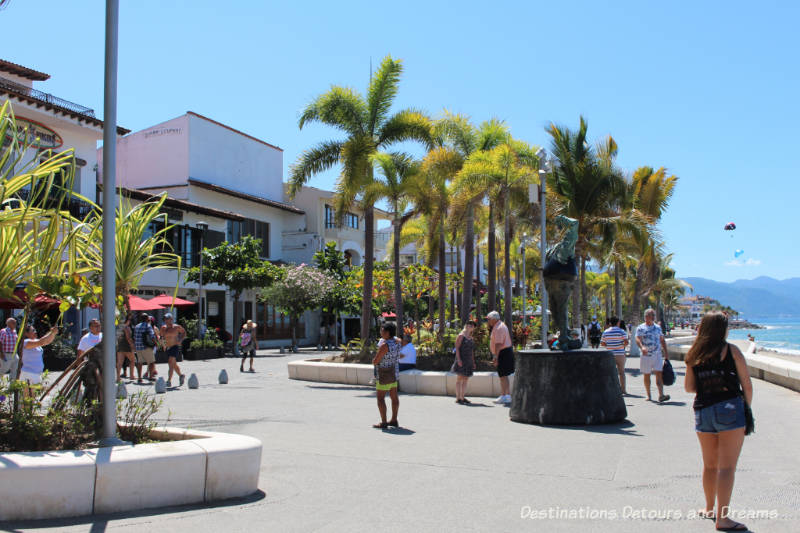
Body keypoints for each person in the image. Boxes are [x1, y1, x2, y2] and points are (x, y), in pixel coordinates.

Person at [684, 311, 753, 531]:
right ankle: (723, 519)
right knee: (727, 467)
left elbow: (689, 388)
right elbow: (747, 385)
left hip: (703, 410)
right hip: (730, 408)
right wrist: (746, 409)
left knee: (710, 465)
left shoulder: (695, 353)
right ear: (722, 329)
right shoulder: (731, 351)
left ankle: (709, 508)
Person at [635, 308, 671, 403]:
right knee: (647, 375)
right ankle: (648, 395)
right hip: (645, 355)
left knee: (658, 374)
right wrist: (642, 347)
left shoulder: (658, 327)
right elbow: (637, 339)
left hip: (657, 355)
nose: (654, 317)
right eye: (652, 315)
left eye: (654, 315)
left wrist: (666, 354)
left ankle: (661, 395)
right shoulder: (641, 328)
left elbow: (662, 340)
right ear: (646, 317)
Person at [371, 322, 401, 429]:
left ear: (387, 332)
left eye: (382, 330)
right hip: (394, 372)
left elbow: (376, 360)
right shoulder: (397, 341)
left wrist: (373, 361)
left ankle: (384, 422)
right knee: (394, 397)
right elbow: (398, 339)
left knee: (380, 398)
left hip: (384, 373)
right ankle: (394, 420)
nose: (380, 332)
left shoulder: (385, 345)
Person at [19, 324, 58, 393]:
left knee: (32, 399)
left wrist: (53, 333)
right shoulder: (25, 342)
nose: (35, 332)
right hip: (28, 374)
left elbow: (47, 341)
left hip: (36, 373)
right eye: (33, 330)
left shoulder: (36, 341)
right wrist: (51, 332)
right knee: (27, 399)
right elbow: (41, 342)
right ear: (26, 333)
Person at [487, 310, 513, 404]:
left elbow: (498, 344)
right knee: (503, 375)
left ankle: (505, 395)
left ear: (494, 319)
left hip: (502, 352)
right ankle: (505, 395)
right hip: (505, 352)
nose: (488, 321)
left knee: (503, 375)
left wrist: (495, 357)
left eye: (489, 319)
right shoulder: (500, 325)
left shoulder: (498, 328)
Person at [601, 316, 629, 394]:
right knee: (621, 372)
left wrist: (609, 346)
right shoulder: (622, 331)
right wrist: (621, 345)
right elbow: (626, 342)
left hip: (609, 354)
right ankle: (623, 390)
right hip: (620, 354)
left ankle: (610, 389)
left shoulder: (606, 332)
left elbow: (602, 343)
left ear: (610, 323)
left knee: (609, 373)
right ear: (618, 322)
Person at [452, 320, 477, 404]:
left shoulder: (471, 337)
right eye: (470, 325)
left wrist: (473, 362)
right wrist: (458, 359)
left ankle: (462, 397)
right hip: (461, 359)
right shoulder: (461, 336)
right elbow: (457, 348)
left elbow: (472, 351)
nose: (471, 327)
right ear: (466, 325)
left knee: (466, 379)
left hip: (468, 360)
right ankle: (458, 397)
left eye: (473, 326)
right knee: (459, 379)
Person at [160, 313, 186, 387]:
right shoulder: (163, 328)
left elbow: (184, 332)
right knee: (173, 364)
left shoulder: (176, 327)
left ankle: (169, 381)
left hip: (175, 346)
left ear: (171, 319)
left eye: (167, 319)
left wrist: (180, 339)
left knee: (170, 363)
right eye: (165, 319)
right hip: (167, 348)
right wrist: (163, 344)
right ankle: (181, 375)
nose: (166, 320)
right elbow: (161, 337)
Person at [133, 313, 157, 382]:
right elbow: (152, 336)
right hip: (146, 346)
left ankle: (139, 378)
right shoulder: (148, 325)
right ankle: (151, 377)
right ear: (147, 319)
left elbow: (134, 337)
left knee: (140, 362)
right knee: (151, 362)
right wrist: (156, 343)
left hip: (138, 347)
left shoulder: (137, 326)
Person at [116, 314, 135, 382]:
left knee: (119, 363)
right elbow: (128, 338)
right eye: (129, 319)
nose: (130, 321)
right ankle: (131, 376)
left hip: (120, 346)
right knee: (132, 360)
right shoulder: (126, 327)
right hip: (127, 346)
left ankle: (118, 377)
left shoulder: (119, 327)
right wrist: (132, 345)